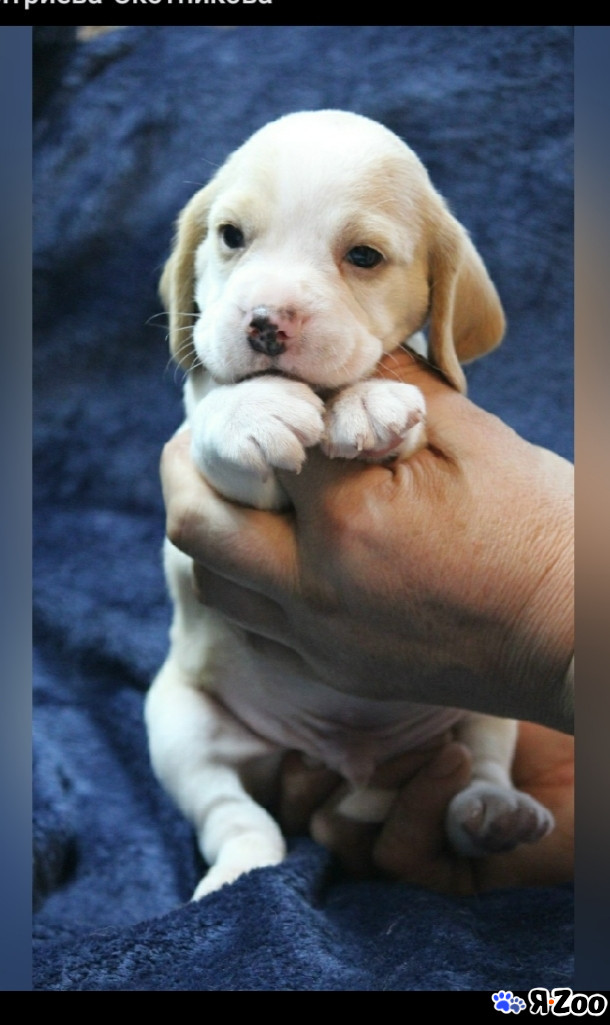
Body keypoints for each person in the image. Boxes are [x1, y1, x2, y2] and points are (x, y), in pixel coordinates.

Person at [160, 347, 574, 892]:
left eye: (361, 261)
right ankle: (235, 830)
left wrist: (551, 614)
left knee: (484, 723)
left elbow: (421, 474)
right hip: (247, 712)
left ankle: (486, 781)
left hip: (430, 722)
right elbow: (232, 466)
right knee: (177, 713)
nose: (271, 312)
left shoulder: (395, 374)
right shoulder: (224, 377)